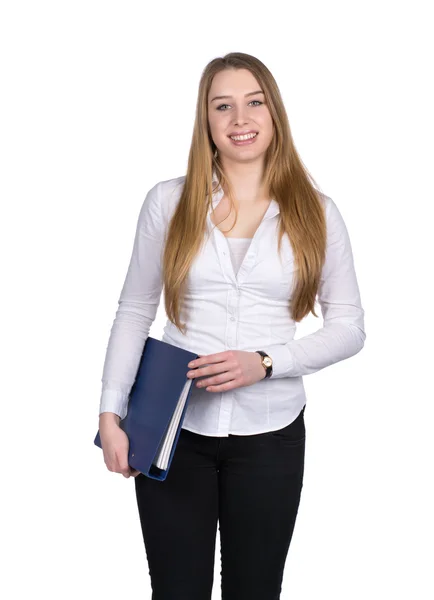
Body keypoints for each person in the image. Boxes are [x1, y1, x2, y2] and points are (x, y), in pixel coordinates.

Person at [97, 52, 366, 600]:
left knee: (256, 590)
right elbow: (133, 310)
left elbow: (350, 326)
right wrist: (109, 412)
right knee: (176, 590)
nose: (239, 119)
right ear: (207, 122)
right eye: (223, 106)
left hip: (271, 435)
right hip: (173, 430)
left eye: (253, 103)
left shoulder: (318, 212)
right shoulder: (168, 202)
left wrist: (265, 363)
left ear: (274, 114)